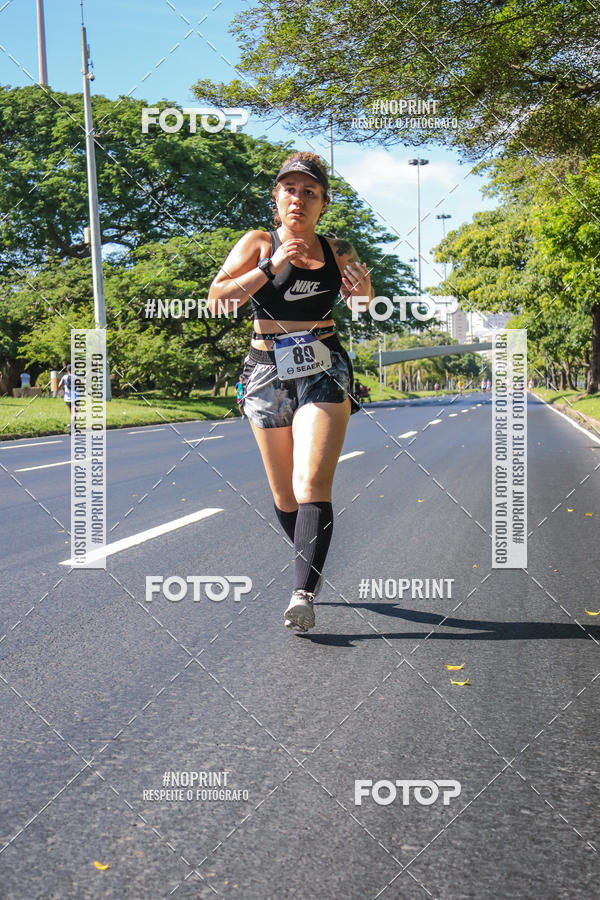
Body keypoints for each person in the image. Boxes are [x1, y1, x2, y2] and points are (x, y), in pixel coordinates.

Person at [208, 151, 373, 631]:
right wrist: (272, 265)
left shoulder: (338, 249)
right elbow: (219, 300)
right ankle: (309, 557)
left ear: (323, 203)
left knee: (311, 483)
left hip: (323, 365)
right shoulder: (259, 242)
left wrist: (362, 288)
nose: (298, 199)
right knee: (285, 496)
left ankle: (302, 592)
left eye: (309, 192)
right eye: (289, 190)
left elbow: (362, 304)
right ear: (275, 198)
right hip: (265, 370)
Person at [58, 364, 76, 433]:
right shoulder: (76, 377)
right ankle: (71, 426)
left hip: (67, 398)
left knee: (71, 413)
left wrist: (62, 389)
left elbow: (59, 385)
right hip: (75, 398)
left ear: (67, 370)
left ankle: (72, 426)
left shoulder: (64, 377)